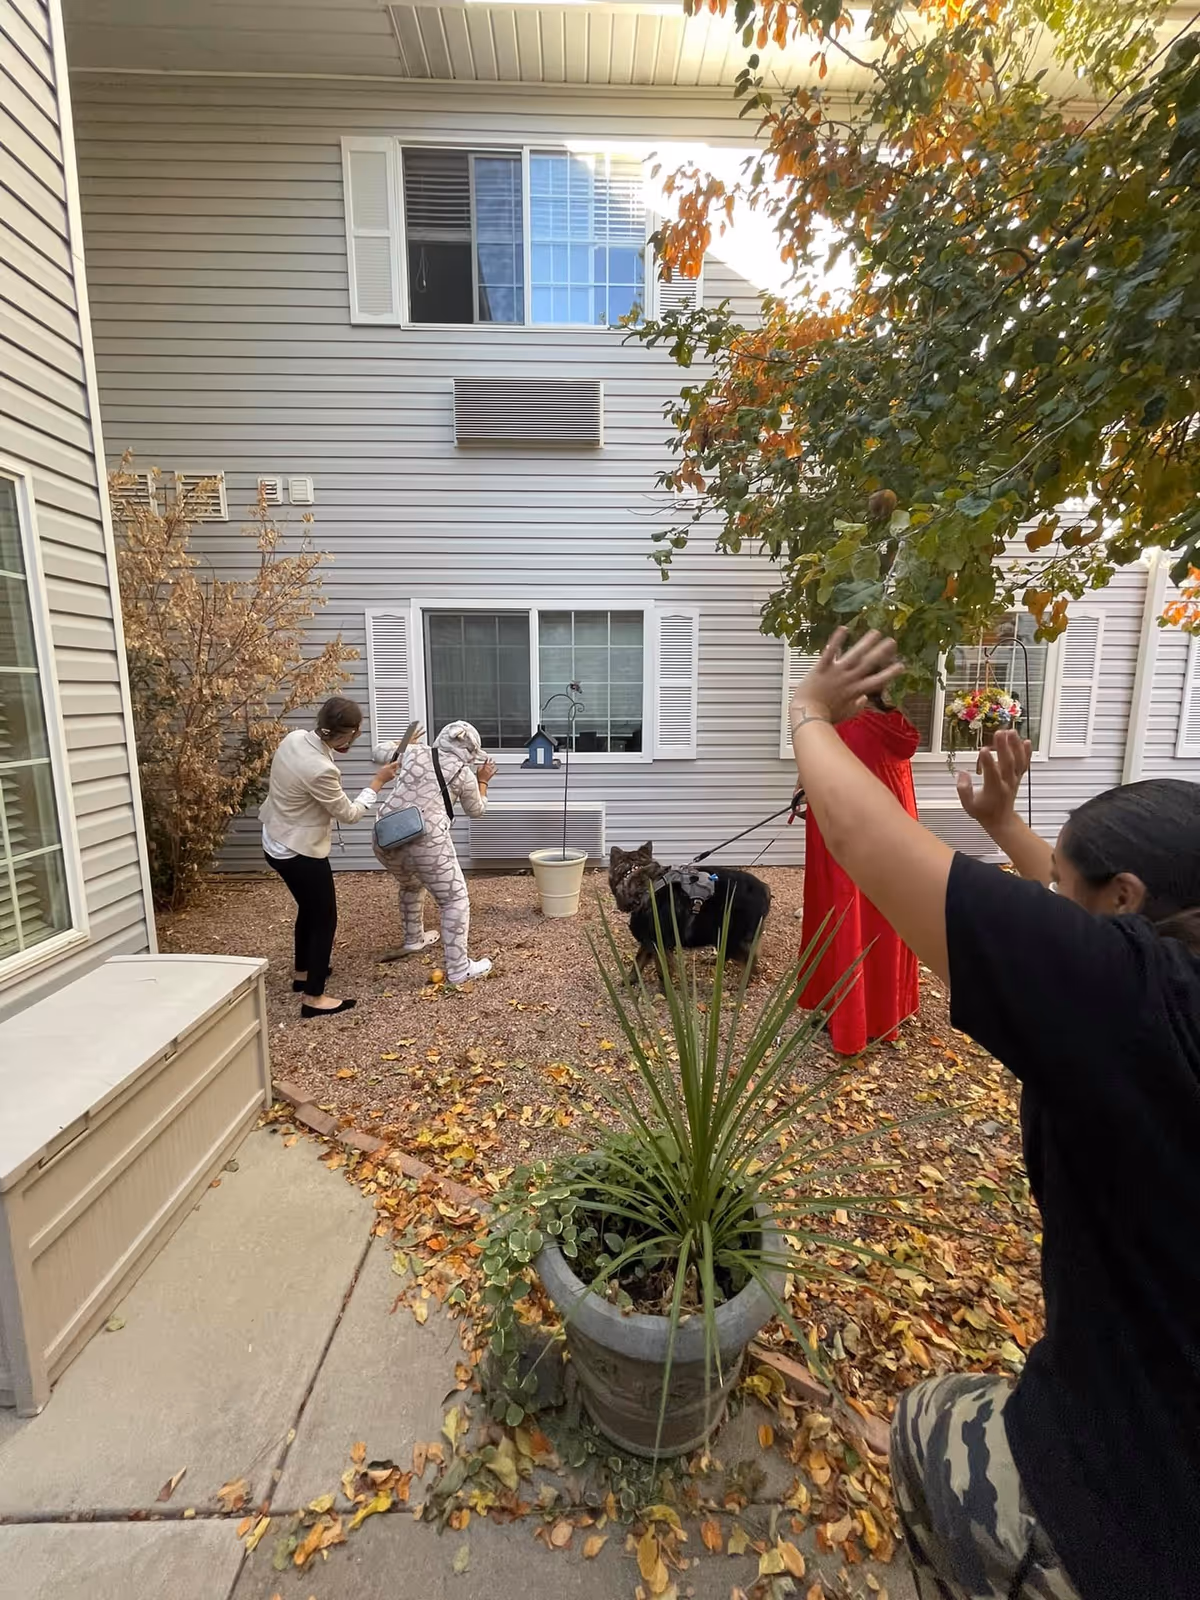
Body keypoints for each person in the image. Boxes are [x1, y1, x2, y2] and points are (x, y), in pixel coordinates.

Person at [788, 628, 1200, 1600]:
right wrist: (1014, 828)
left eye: (1063, 883)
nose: (1047, 892)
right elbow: (1082, 929)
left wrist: (807, 712)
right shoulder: (1165, 975)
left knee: (934, 1418)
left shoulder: (1142, 1006)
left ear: (1126, 901)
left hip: (1128, 1520)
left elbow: (858, 836)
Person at [797, 691, 921, 1053]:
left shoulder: (845, 728)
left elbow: (827, 782)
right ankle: (887, 1011)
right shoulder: (897, 723)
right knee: (885, 919)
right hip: (894, 836)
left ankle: (850, 1019)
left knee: (846, 919)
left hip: (846, 840)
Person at [260, 696, 398, 1017]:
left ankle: (302, 973)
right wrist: (377, 783)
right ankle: (314, 998)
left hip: (274, 837)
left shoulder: (293, 739)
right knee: (325, 918)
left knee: (309, 908)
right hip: (298, 850)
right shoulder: (321, 770)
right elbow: (349, 814)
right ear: (348, 734)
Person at [372, 720, 497, 986]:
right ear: (470, 750)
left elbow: (377, 752)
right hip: (426, 839)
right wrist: (483, 781)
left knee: (411, 884)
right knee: (455, 900)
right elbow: (477, 811)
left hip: (386, 835)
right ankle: (459, 969)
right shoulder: (463, 772)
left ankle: (413, 939)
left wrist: (406, 741)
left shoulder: (414, 752)